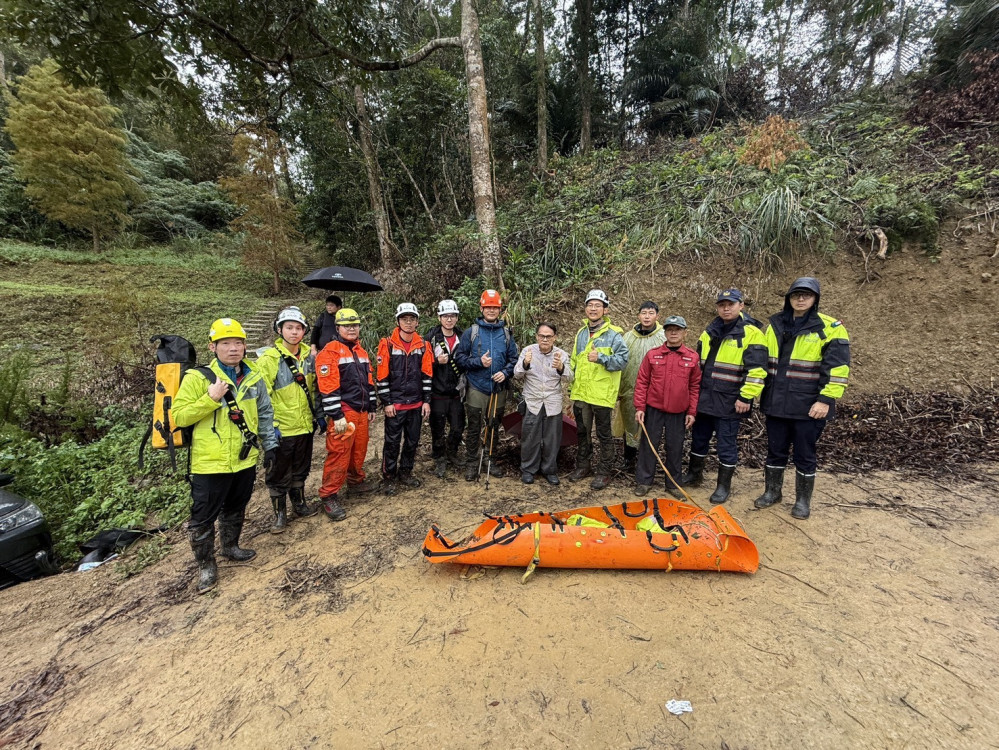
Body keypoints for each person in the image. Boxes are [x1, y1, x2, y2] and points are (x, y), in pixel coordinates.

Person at [172, 318, 278, 594]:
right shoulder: (198, 378)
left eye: (238, 343)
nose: (234, 348)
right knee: (203, 516)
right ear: (213, 347)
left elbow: (265, 414)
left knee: (236, 505)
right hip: (210, 463)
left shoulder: (253, 376)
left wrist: (270, 445)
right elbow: (180, 417)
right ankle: (206, 566)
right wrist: (211, 398)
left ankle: (230, 546)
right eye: (226, 343)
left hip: (244, 457)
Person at [754, 277, 850, 520]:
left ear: (815, 299)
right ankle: (772, 493)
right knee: (775, 452)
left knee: (805, 455)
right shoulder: (774, 324)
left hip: (809, 406)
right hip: (776, 403)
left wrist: (825, 400)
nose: (800, 299)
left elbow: (837, 369)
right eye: (796, 294)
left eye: (806, 295)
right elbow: (761, 362)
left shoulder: (830, 328)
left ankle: (802, 501)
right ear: (789, 297)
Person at [682, 289, 768, 504]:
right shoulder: (709, 331)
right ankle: (694, 475)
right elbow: (698, 368)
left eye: (731, 304)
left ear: (741, 306)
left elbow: (757, 370)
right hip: (705, 399)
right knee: (698, 440)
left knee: (726, 444)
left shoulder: (752, 333)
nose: (726, 308)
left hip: (730, 401)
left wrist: (746, 397)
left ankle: (723, 486)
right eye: (722, 304)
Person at [256, 307, 322, 532]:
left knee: (301, 468)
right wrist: (270, 427)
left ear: (304, 331)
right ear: (279, 329)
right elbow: (261, 397)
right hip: (281, 429)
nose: (294, 332)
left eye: (298, 328)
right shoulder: (269, 359)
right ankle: (279, 514)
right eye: (289, 328)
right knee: (278, 472)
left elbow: (314, 389)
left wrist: (318, 416)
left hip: (304, 425)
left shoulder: (308, 357)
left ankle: (300, 504)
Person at [316, 308, 377, 519]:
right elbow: (328, 386)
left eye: (355, 325)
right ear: (338, 328)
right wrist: (336, 414)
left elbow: (369, 382)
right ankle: (329, 494)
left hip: (361, 411)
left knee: (359, 449)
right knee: (339, 453)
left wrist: (371, 406)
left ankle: (355, 481)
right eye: (347, 325)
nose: (352, 329)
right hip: (344, 412)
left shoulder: (361, 352)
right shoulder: (329, 352)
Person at [633, 316, 701, 497]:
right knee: (648, 445)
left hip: (678, 412)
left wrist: (692, 411)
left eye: (677, 329)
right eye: (670, 329)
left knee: (675, 447)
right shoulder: (652, 355)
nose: (673, 332)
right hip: (653, 409)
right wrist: (640, 407)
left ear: (685, 333)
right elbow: (642, 382)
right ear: (665, 332)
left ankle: (672, 484)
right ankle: (644, 481)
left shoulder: (692, 357)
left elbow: (695, 386)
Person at [454, 290, 519, 482]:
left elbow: (514, 359)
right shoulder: (471, 332)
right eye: (488, 307)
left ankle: (489, 460)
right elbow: (460, 359)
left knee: (493, 425)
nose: (491, 310)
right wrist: (478, 363)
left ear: (500, 310)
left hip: (498, 389)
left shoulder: (506, 333)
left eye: (495, 307)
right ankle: (472, 463)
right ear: (481, 308)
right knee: (474, 426)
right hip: (476, 387)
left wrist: (505, 372)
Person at [568, 289, 629, 490]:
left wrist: (601, 358)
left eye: (597, 305)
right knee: (582, 432)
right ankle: (583, 466)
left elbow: (622, 361)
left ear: (606, 310)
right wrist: (571, 389)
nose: (593, 309)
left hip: (602, 395)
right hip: (581, 393)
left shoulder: (614, 335)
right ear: (585, 308)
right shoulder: (581, 332)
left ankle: (604, 471)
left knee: (604, 434)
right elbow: (575, 362)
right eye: (590, 305)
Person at [376, 303, 433, 495]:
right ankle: (389, 476)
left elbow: (427, 375)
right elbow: (382, 376)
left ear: (417, 322)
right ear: (398, 321)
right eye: (404, 319)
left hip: (416, 403)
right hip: (396, 404)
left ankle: (406, 472)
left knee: (412, 441)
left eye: (412, 319)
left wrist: (426, 400)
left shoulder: (424, 345)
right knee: (392, 442)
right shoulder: (388, 344)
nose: (408, 323)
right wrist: (387, 402)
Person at [513, 323, 574, 485]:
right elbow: (517, 374)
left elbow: (570, 377)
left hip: (552, 402)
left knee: (552, 439)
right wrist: (525, 364)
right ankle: (528, 469)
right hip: (532, 401)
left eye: (548, 336)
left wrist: (561, 367)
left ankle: (549, 470)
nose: (545, 339)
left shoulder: (561, 354)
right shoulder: (528, 351)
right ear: (537, 336)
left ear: (554, 337)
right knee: (530, 437)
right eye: (542, 336)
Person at [618, 301, 665, 470]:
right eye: (643, 313)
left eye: (651, 313)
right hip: (629, 389)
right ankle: (629, 459)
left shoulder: (663, 337)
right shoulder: (628, 337)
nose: (647, 316)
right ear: (638, 315)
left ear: (657, 316)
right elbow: (621, 362)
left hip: (654, 392)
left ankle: (646, 462)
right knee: (630, 424)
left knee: (650, 426)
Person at [425, 300, 466, 478]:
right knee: (437, 428)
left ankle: (452, 452)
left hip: (457, 392)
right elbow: (422, 364)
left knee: (458, 427)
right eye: (445, 316)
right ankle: (439, 458)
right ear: (439, 317)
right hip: (437, 392)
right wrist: (435, 362)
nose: (449, 319)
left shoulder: (463, 337)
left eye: (452, 316)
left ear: (456, 317)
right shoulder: (431, 337)